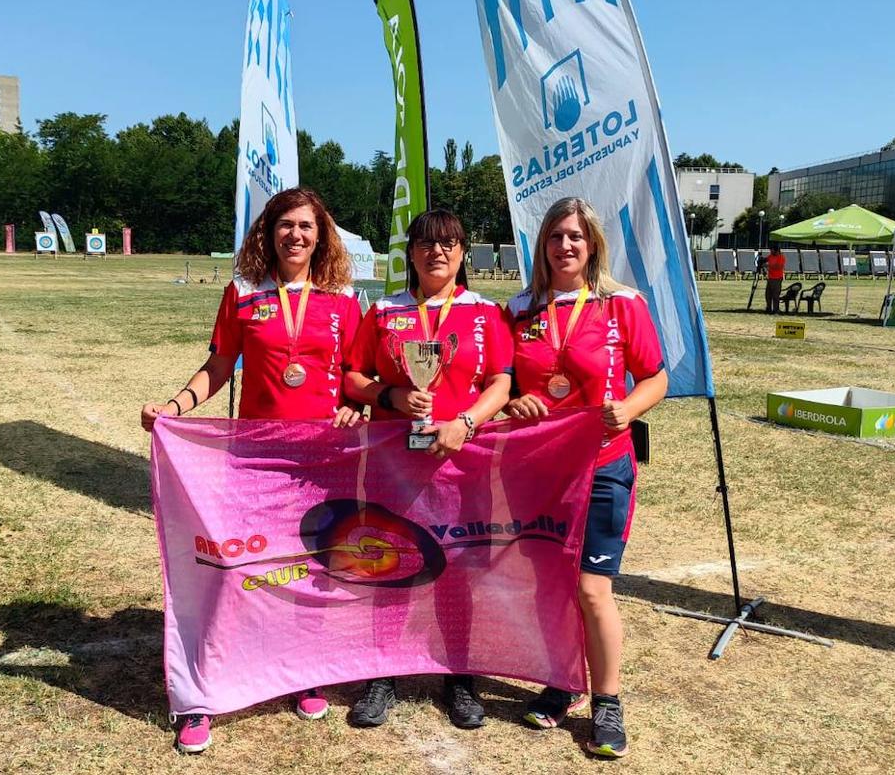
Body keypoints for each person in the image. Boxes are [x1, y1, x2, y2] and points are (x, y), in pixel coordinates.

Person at [139, 187, 363, 753]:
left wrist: (355, 404)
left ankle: (305, 672)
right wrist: (175, 407)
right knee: (234, 571)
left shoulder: (343, 298)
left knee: (312, 567)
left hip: (321, 460)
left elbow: (358, 376)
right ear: (268, 232)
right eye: (285, 225)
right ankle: (206, 692)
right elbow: (219, 364)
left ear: (322, 236)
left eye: (307, 226)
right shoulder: (242, 292)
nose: (296, 235)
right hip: (255, 457)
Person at [503, 197, 668, 759]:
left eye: (575, 236)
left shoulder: (622, 304)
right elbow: (506, 385)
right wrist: (517, 403)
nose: (565, 246)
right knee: (551, 585)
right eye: (555, 236)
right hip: (537, 469)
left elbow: (656, 376)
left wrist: (631, 408)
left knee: (593, 590)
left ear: (592, 243)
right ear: (542, 245)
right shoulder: (520, 308)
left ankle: (608, 701)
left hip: (602, 465)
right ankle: (564, 681)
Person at [342, 209, 513, 730]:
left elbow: (501, 384)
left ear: (463, 252)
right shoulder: (383, 311)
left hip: (461, 465)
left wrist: (465, 421)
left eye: (448, 244)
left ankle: (458, 675)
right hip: (394, 463)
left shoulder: (487, 313)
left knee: (458, 569)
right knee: (388, 562)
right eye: (425, 244)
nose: (437, 253)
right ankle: (383, 674)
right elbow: (352, 376)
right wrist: (390, 393)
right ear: (410, 253)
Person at [764, 245, 786, 314]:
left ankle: (776, 309)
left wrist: (768, 266)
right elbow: (766, 260)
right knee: (768, 294)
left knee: (775, 295)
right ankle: (768, 308)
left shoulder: (781, 257)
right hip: (770, 278)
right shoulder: (770, 256)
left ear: (776, 250)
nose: (770, 251)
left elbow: (778, 266)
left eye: (772, 250)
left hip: (777, 278)